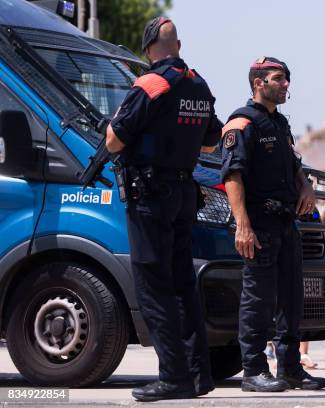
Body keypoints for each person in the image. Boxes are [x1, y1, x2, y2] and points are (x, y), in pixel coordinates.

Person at [105, 17, 221, 401]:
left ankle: (172, 377)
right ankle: (197, 375)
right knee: (183, 285)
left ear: (150, 46)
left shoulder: (152, 83)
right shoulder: (198, 84)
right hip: (185, 191)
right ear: (179, 45)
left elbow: (113, 141)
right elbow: (211, 141)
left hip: (152, 195)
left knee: (154, 286)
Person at [220, 57, 325, 392]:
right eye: (278, 79)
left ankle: (291, 369)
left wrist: (306, 184)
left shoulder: (279, 125)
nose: (285, 85)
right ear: (258, 83)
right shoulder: (241, 123)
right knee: (258, 299)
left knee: (291, 299)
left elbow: (293, 163)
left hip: (285, 222)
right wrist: (243, 226)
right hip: (259, 224)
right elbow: (232, 176)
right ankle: (253, 370)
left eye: (286, 79)